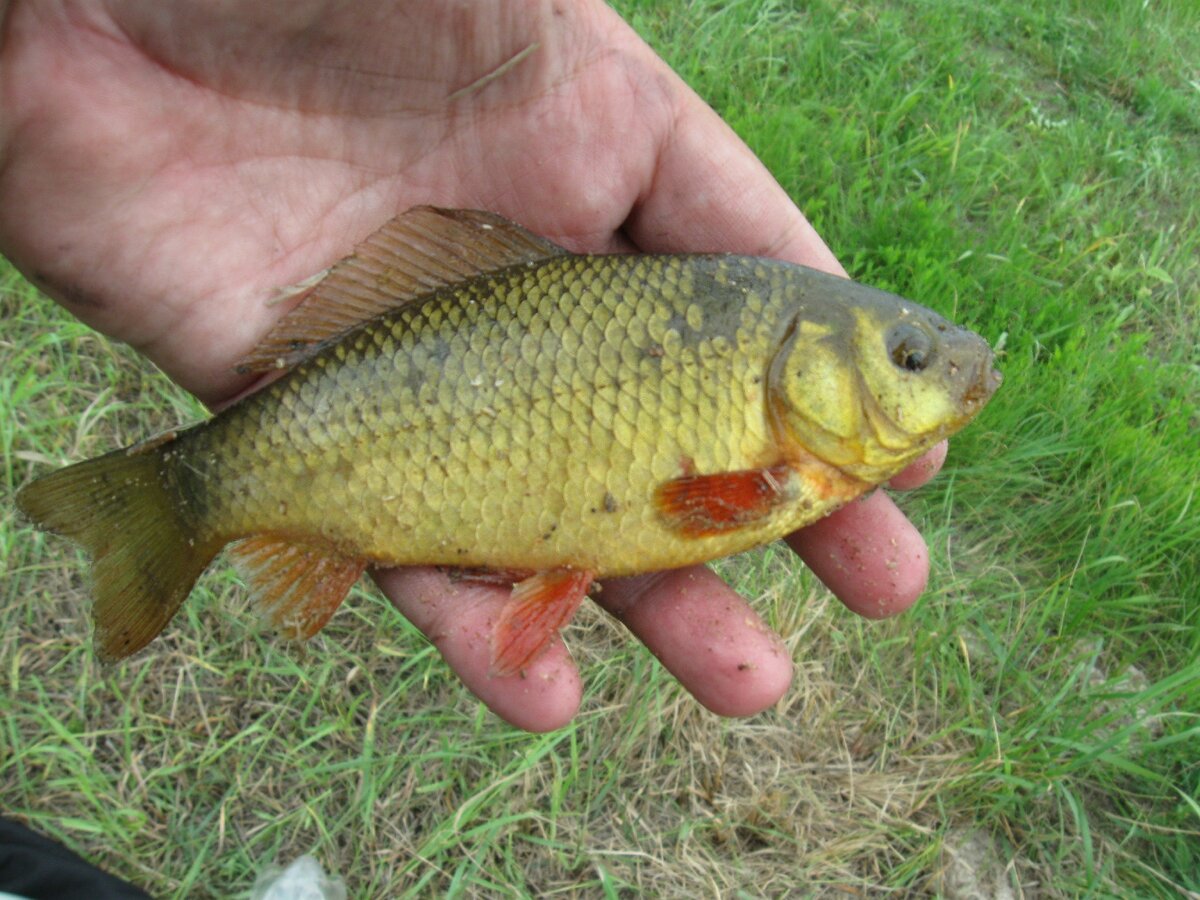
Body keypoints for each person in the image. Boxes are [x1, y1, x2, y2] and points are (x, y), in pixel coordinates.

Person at [0, 1, 947, 732]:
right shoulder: (791, 461)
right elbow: (693, 510)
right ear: (807, 358)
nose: (933, 378)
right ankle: (178, 497)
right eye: (909, 358)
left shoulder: (794, 453)